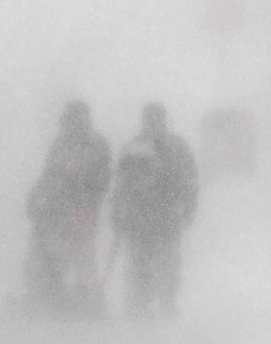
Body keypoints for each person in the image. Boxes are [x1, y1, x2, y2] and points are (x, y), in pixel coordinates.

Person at [110, 103, 199, 317]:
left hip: (164, 215)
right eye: (150, 118)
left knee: (166, 263)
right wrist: (118, 211)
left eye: (156, 118)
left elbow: (189, 180)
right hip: (143, 216)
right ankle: (141, 304)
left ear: (163, 119)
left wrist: (188, 207)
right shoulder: (134, 147)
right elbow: (121, 184)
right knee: (142, 262)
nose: (153, 123)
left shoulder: (175, 147)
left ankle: (164, 303)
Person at [25, 100, 112, 314]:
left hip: (82, 209)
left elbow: (103, 178)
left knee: (82, 254)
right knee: (49, 250)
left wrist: (84, 196)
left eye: (76, 119)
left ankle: (89, 300)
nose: (72, 124)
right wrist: (36, 197)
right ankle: (51, 295)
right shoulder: (60, 143)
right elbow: (48, 173)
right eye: (70, 120)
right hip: (55, 209)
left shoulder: (96, 144)